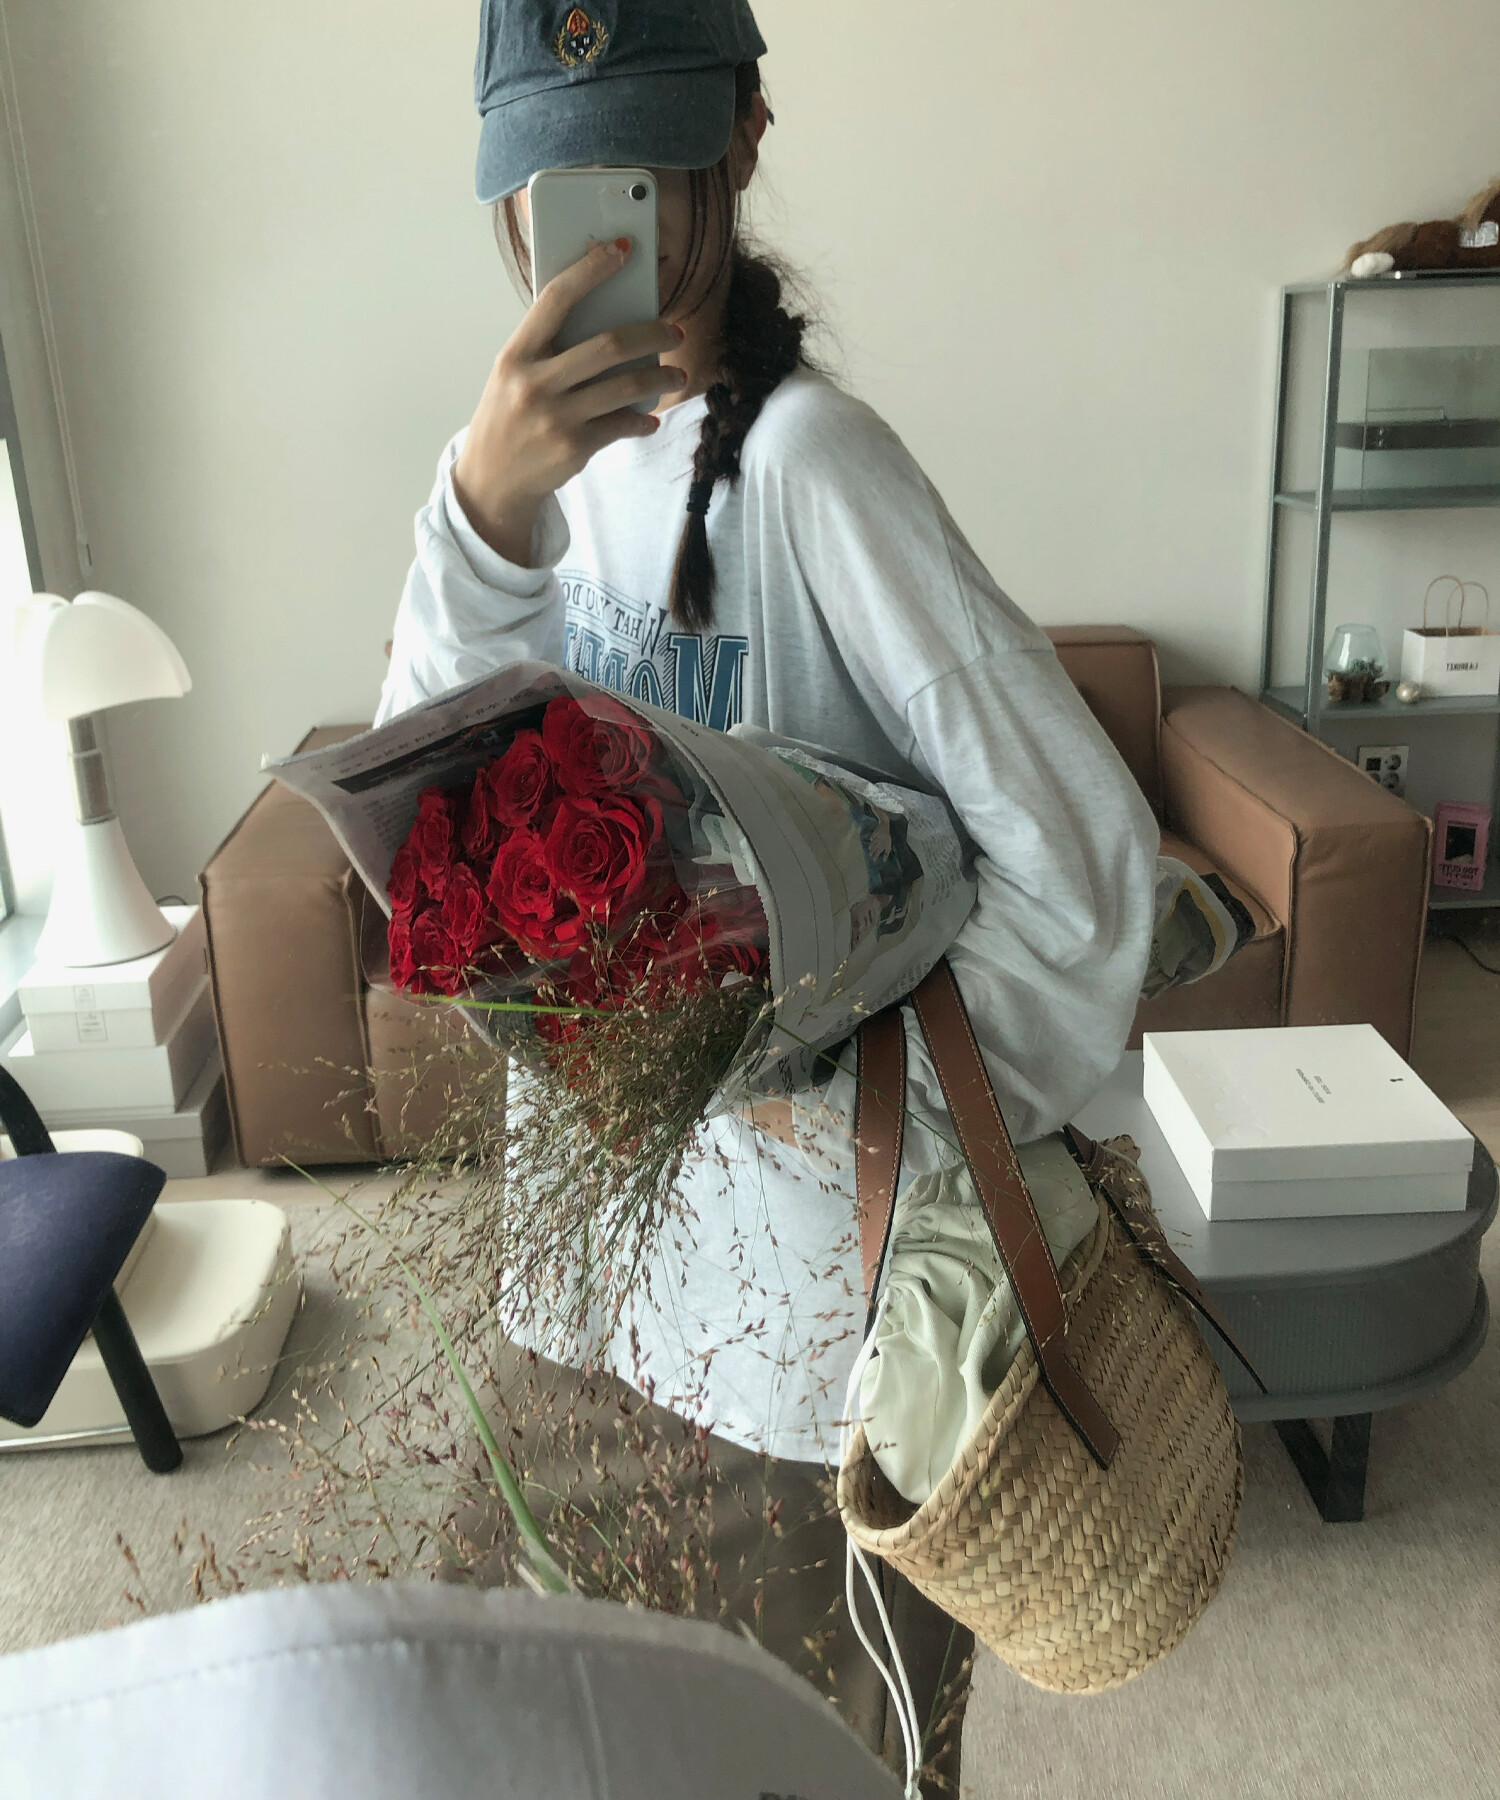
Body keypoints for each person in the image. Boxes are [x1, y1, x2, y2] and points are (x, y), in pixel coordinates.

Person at [377, 2, 1159, 1791]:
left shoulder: (816, 469)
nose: (606, 228)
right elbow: (424, 820)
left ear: (741, 132)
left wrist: (868, 1102)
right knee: (562, 1743)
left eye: (647, 166)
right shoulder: (516, 481)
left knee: (826, 1758)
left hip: (809, 1350)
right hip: (581, 1295)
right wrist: (483, 517)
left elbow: (1093, 873)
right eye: (559, 180)